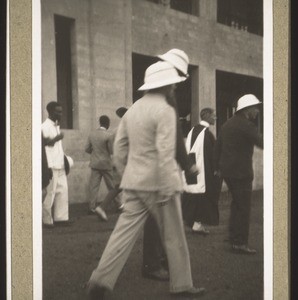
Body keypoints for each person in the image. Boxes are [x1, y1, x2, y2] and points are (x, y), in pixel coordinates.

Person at [87, 61, 205, 299]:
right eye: (172, 84)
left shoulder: (134, 109)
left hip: (133, 182)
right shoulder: (165, 110)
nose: (174, 88)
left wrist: (124, 173)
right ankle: (182, 284)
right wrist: (163, 187)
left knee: (122, 233)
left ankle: (100, 280)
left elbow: (119, 149)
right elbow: (164, 150)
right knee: (174, 236)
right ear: (167, 85)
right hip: (160, 184)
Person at [142, 48, 198, 281]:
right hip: (160, 164)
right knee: (159, 217)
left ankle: (159, 260)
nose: (177, 84)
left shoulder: (154, 93)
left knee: (157, 217)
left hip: (151, 162)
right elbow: (174, 136)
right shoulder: (167, 97)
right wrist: (187, 166)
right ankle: (154, 264)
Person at [214, 94, 263, 254]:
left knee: (236, 204)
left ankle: (235, 238)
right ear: (247, 110)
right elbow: (262, 142)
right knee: (243, 208)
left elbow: (217, 147)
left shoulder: (226, 124)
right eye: (255, 108)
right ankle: (240, 242)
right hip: (241, 173)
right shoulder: (247, 126)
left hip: (227, 171)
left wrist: (217, 167)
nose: (257, 111)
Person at [182, 108, 222, 234]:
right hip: (203, 170)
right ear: (207, 116)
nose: (215, 118)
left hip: (192, 168)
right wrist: (216, 170)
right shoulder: (206, 134)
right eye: (214, 115)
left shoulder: (193, 130)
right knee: (203, 196)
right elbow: (212, 155)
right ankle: (197, 224)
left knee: (193, 196)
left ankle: (194, 223)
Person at [42, 101, 71, 227]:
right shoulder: (44, 127)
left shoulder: (56, 126)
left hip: (60, 163)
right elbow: (44, 144)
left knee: (62, 190)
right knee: (50, 193)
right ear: (50, 112)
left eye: (61, 111)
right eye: (57, 111)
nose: (60, 114)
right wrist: (57, 138)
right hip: (51, 164)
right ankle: (46, 220)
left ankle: (61, 218)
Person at [97, 107, 128, 212]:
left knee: (118, 186)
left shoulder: (116, 130)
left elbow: (110, 144)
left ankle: (103, 207)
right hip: (125, 161)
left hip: (117, 160)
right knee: (121, 186)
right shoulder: (125, 129)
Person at [85, 115, 115, 221]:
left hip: (95, 163)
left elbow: (87, 149)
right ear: (107, 124)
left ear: (100, 122)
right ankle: (120, 204)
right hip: (106, 164)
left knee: (94, 186)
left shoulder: (92, 134)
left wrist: (95, 153)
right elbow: (111, 150)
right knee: (112, 186)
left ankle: (91, 207)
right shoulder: (109, 135)